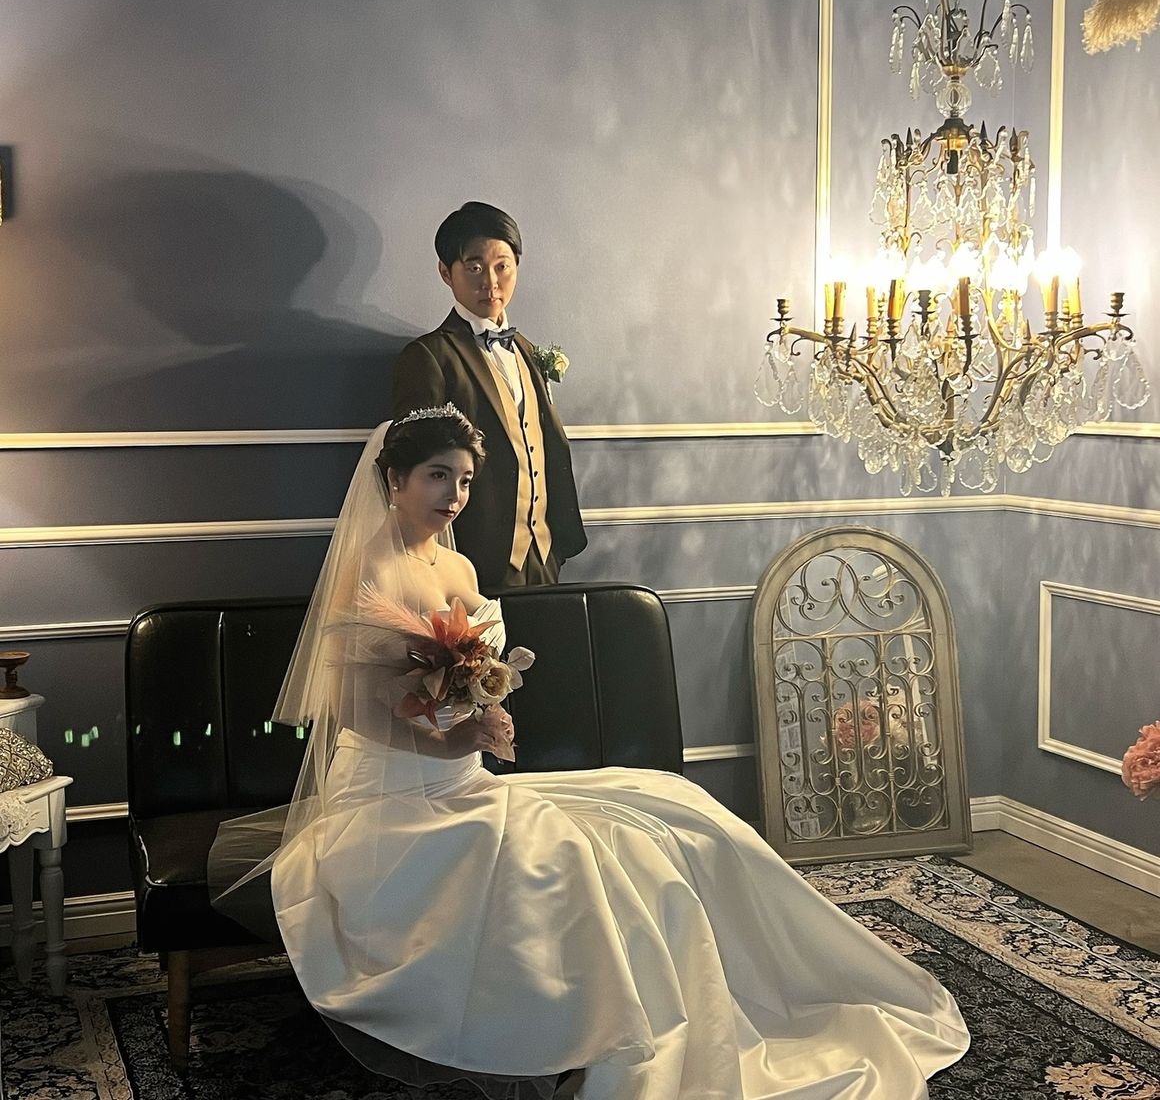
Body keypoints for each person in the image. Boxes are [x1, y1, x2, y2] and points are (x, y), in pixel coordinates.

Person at [211, 406, 969, 1100]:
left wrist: (489, 714)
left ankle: (751, 995)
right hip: (394, 798)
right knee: (567, 858)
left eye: (466, 480)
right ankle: (585, 1040)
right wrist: (450, 738)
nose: (455, 495)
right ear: (394, 480)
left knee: (673, 809)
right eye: (438, 476)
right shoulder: (370, 572)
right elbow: (353, 710)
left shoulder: (458, 568)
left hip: (463, 778)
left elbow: (476, 676)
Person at [391, 201, 586, 591]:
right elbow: (416, 471)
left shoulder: (528, 351)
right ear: (446, 272)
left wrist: (557, 549)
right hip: (470, 561)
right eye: (475, 267)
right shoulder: (429, 356)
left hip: (545, 556)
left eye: (503, 266)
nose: (491, 282)